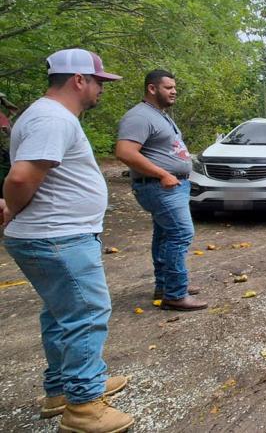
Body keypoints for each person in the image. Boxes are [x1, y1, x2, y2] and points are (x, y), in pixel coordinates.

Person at [2, 49, 133, 432]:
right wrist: (12, 208)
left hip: (54, 234)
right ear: (79, 80)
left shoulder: (44, 115)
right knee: (86, 314)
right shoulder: (52, 118)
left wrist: (14, 209)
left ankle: (63, 388)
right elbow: (21, 179)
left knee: (61, 315)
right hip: (57, 236)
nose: (101, 90)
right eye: (98, 82)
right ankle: (85, 407)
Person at [116, 70, 207, 311]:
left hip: (171, 185)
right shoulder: (139, 116)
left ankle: (166, 285)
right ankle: (175, 294)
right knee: (180, 234)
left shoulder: (159, 115)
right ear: (152, 88)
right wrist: (163, 174)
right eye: (168, 87)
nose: (174, 91)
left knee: (165, 235)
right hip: (159, 186)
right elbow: (125, 152)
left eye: (174, 87)